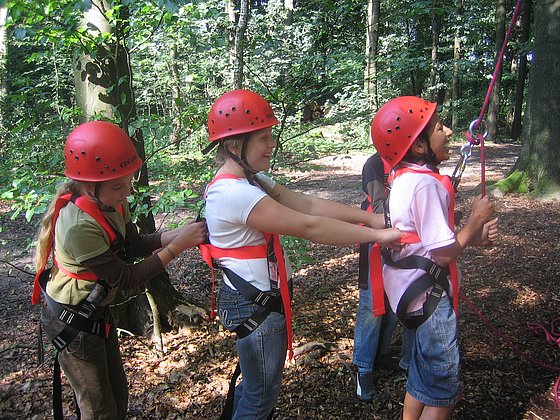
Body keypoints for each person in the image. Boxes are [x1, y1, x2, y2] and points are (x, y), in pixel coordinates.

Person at [201, 89, 403, 419]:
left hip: (256, 300)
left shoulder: (252, 181)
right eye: (263, 138)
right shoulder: (234, 193)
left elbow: (307, 204)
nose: (272, 145)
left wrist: (369, 218)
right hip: (256, 305)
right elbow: (309, 226)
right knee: (259, 400)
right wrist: (377, 235)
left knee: (255, 389)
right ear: (235, 146)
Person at [32, 120, 207, 420]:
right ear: (89, 186)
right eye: (117, 186)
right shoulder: (78, 226)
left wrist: (176, 234)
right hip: (73, 319)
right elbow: (127, 279)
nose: (126, 192)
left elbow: (131, 245)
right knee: (99, 409)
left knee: (118, 396)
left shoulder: (112, 201)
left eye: (128, 182)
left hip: (95, 312)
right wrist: (177, 247)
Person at [370, 96, 499, 419]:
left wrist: (472, 238)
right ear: (419, 146)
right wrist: (475, 221)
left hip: (411, 297)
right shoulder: (425, 185)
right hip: (430, 300)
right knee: (443, 392)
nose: (450, 132)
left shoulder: (402, 178)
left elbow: (424, 239)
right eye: (440, 128)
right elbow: (442, 254)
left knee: (422, 374)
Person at [353, 152, 402, 402]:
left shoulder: (407, 159)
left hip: (400, 241)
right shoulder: (375, 164)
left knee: (395, 304)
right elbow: (379, 204)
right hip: (375, 241)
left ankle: (380, 354)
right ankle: (363, 368)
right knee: (372, 305)